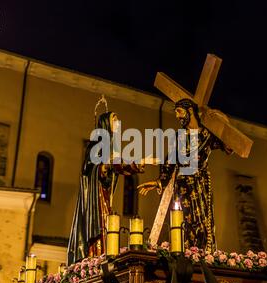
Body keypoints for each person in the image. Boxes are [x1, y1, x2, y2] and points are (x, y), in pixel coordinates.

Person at [138, 99, 233, 253]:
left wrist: (221, 120)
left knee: (202, 222)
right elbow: (170, 162)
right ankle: (187, 253)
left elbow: (228, 145)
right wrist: (158, 182)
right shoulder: (179, 136)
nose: (177, 116)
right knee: (184, 222)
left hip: (200, 184)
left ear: (190, 111)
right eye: (175, 112)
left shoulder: (207, 134)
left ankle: (204, 255)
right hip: (182, 186)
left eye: (179, 111)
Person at [67, 112, 144, 264]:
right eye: (114, 119)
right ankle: (93, 258)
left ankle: (101, 256)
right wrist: (104, 166)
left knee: (106, 224)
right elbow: (89, 169)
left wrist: (133, 167)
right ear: (106, 123)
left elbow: (117, 167)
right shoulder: (96, 145)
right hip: (94, 197)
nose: (118, 122)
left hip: (104, 194)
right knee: (98, 223)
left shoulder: (111, 146)